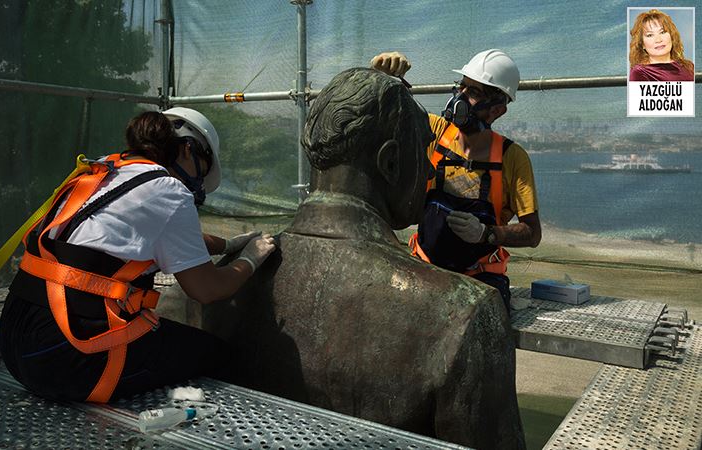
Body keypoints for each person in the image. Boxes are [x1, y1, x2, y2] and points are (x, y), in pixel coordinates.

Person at [202, 68, 524, 450]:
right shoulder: (466, 315)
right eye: (423, 154)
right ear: (390, 164)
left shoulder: (219, 281)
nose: (430, 169)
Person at [0, 108, 276, 403]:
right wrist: (250, 260)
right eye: (202, 169)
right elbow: (207, 289)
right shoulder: (168, 190)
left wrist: (228, 245)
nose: (200, 181)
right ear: (187, 149)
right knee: (220, 355)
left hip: (15, 340)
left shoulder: (106, 169)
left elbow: (164, 237)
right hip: (66, 356)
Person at [371, 49, 541, 312]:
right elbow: (390, 115)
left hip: (481, 277)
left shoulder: (511, 158)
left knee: (478, 324)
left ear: (497, 109)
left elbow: (532, 233)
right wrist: (384, 79)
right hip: (425, 266)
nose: (460, 97)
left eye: (474, 93)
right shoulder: (435, 133)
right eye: (461, 86)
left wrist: (486, 233)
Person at [629, 9, 695, 82]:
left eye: (662, 32)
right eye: (650, 35)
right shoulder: (639, 72)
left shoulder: (688, 66)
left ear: (672, 36)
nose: (658, 40)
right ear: (642, 44)